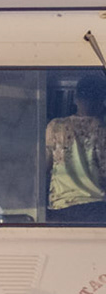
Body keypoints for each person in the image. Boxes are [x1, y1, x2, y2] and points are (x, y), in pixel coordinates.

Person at [44, 75, 106, 223]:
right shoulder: (102, 130)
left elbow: (44, 167)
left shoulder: (55, 126)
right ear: (101, 101)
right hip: (97, 208)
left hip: (61, 206)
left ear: (76, 99)